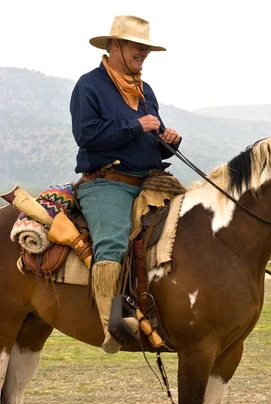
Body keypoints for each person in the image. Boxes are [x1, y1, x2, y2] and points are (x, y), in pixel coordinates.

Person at [69, 15, 182, 354]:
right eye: (137, 46)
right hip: (108, 183)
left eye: (146, 48)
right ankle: (111, 327)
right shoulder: (89, 85)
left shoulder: (145, 90)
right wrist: (136, 126)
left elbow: (151, 139)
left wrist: (169, 141)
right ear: (115, 45)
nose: (144, 53)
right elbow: (86, 135)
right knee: (112, 242)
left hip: (150, 180)